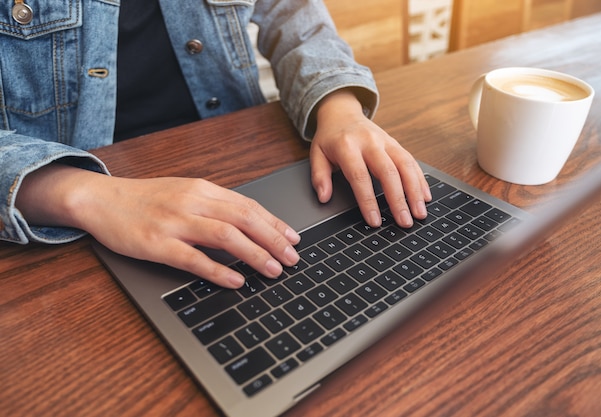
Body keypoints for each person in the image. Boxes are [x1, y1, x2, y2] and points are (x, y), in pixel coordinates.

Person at [0, 0, 431, 288]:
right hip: (63, 210)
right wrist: (84, 196)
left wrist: (339, 108)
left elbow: (292, 13)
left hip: (242, 159)